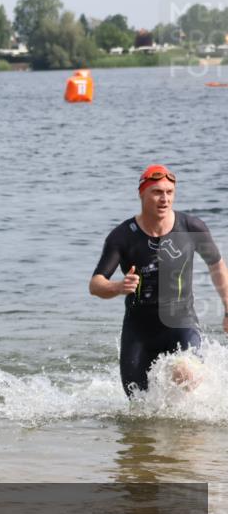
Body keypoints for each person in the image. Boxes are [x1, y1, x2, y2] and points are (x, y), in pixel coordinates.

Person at [90, 164, 228, 396]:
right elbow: (95, 284)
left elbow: (217, 266)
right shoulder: (122, 236)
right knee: (139, 406)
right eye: (157, 192)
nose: (164, 199)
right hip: (139, 332)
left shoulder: (191, 228)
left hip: (181, 323)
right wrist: (118, 287)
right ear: (141, 194)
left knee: (186, 374)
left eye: (169, 192)